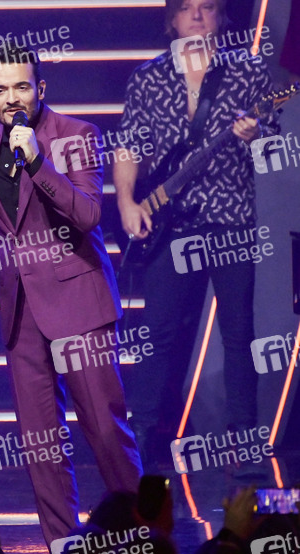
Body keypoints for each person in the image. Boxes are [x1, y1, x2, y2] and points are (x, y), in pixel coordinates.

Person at [0, 43, 143, 548]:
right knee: (41, 444)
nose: (11, 99)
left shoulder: (76, 135)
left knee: (105, 433)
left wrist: (38, 162)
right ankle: (65, 552)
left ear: (40, 88)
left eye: (21, 87)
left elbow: (87, 214)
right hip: (21, 311)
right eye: (0, 90)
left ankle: (141, 540)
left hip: (79, 303)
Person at [114, 0, 277, 465]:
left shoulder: (247, 71)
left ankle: (244, 443)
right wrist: (126, 202)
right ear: (172, 19)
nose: (198, 16)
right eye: (187, 8)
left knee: (238, 334)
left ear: (220, 16)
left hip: (230, 219)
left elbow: (273, 142)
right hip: (170, 222)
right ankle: (140, 442)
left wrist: (256, 135)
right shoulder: (148, 78)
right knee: (157, 334)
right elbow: (128, 145)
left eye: (207, 7)